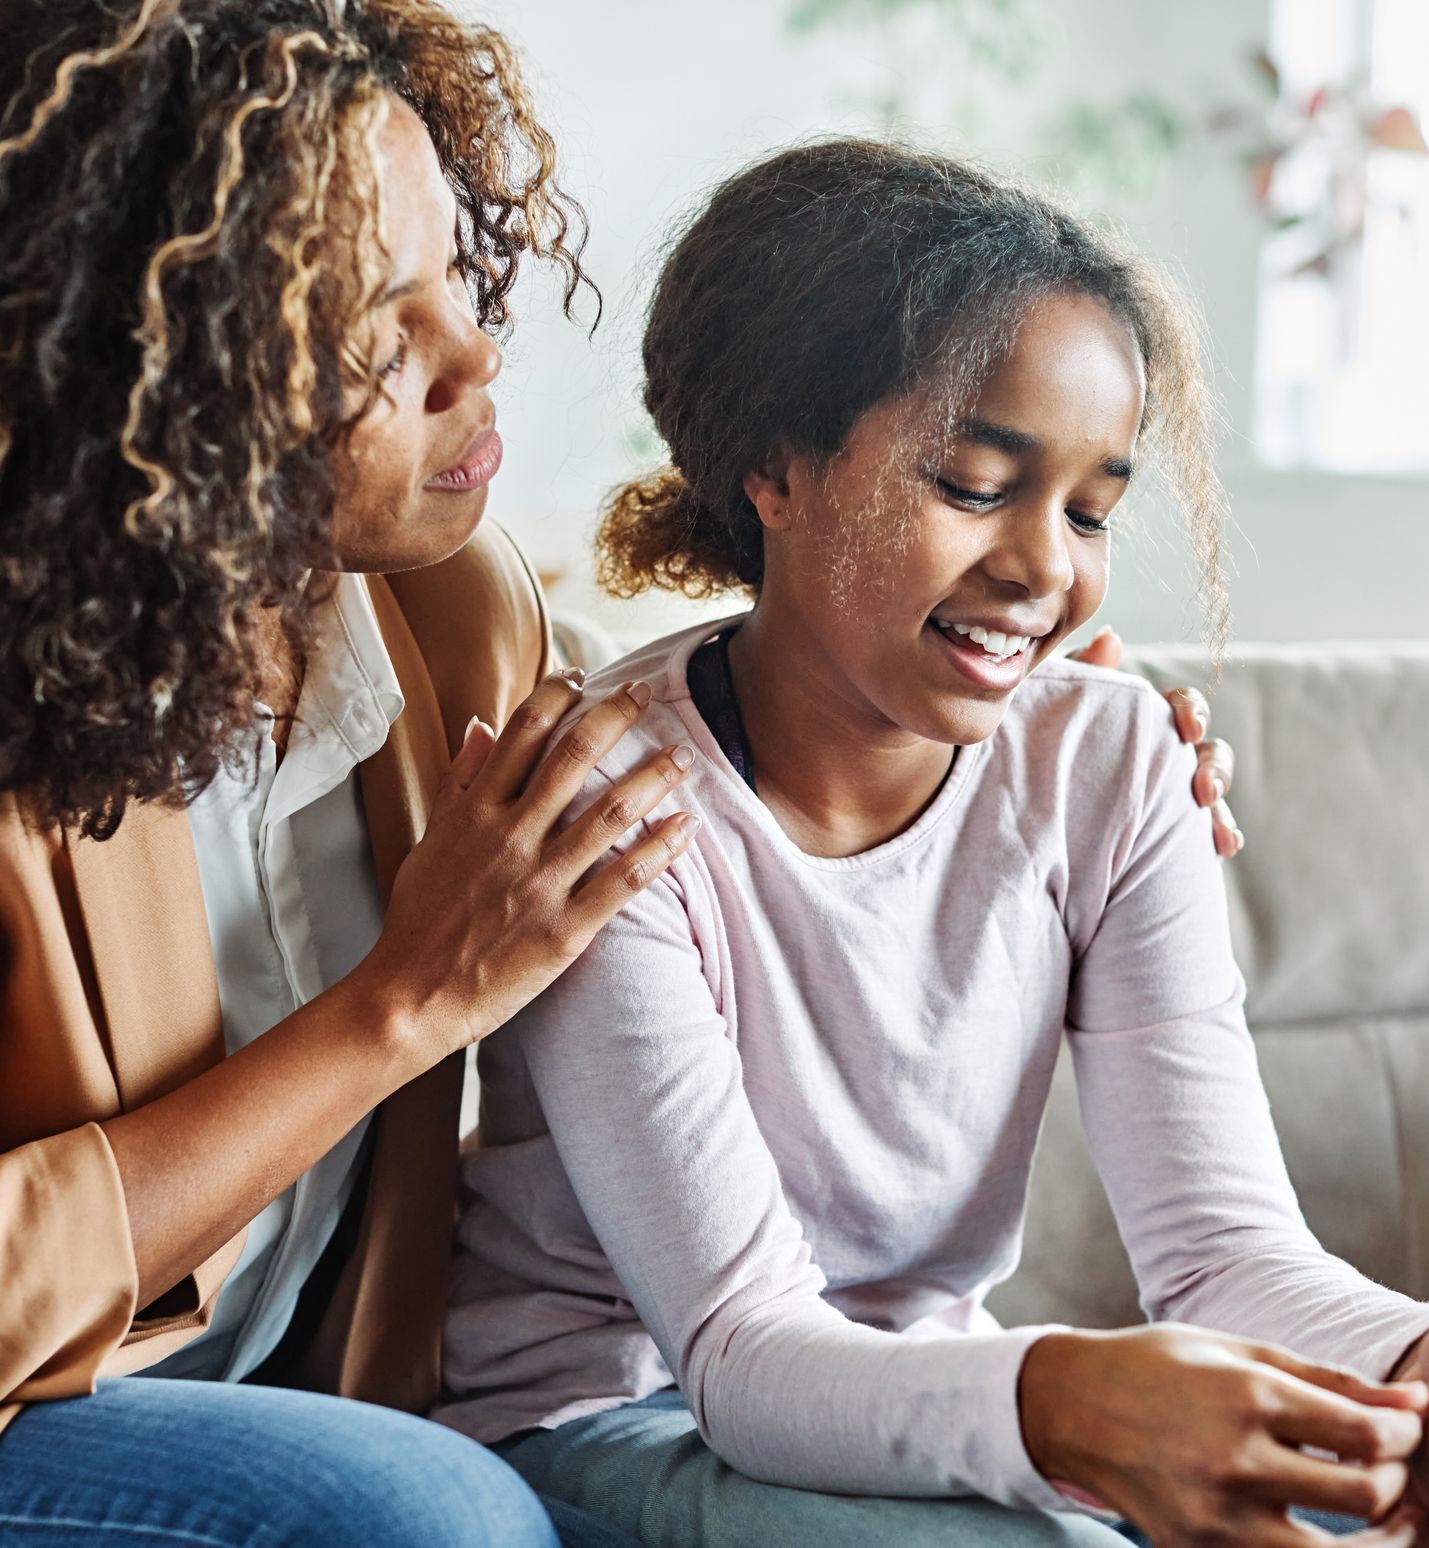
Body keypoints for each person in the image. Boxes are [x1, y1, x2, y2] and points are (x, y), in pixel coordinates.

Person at [0, 7, 1234, 1543]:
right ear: (161, 367)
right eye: (387, 330)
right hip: (40, 1408)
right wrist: (403, 1002)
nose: (478, 352)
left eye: (461, 269)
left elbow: (751, 697)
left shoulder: (454, 619)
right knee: (433, 1522)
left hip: (304, 1392)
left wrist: (1030, 691)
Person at [437, 139, 1429, 1548]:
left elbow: (1224, 1255)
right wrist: (1068, 1410)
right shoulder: (614, 811)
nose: (1047, 568)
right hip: (619, 1423)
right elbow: (741, 1352)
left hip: (921, 1402)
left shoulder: (1113, 764)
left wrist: (1426, 1359)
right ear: (774, 469)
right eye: (978, 486)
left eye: (1091, 508)